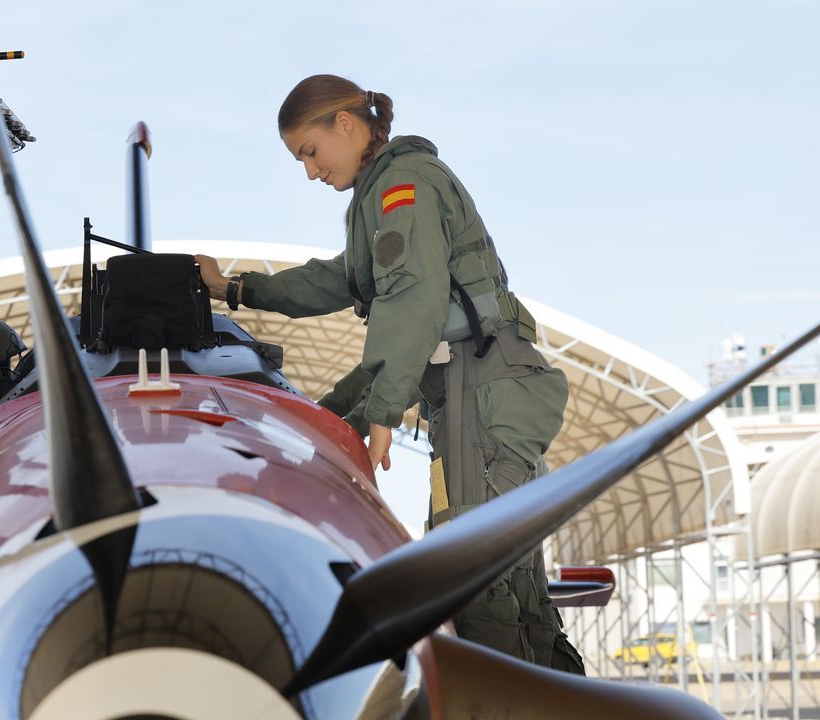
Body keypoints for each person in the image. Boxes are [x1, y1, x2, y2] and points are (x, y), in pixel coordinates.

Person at [195, 74, 583, 673]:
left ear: (345, 125)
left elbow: (413, 301)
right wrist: (235, 288)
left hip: (480, 392)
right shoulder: (376, 198)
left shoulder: (403, 185)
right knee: (511, 595)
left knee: (473, 587)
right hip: (475, 394)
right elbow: (335, 279)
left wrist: (379, 413)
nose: (309, 170)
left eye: (309, 151)